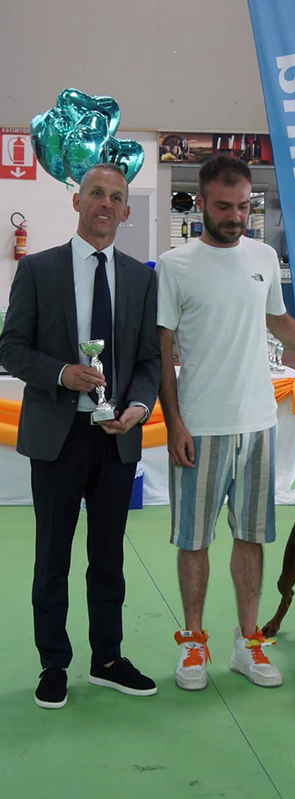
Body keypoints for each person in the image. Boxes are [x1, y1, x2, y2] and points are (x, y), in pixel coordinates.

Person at [157, 155, 295, 691]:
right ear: (200, 203)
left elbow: (277, 320)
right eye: (224, 206)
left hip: (259, 425)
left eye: (243, 206)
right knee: (194, 541)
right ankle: (194, 645)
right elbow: (162, 350)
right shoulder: (174, 265)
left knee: (251, 538)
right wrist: (174, 424)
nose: (236, 216)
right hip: (200, 427)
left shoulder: (263, 256)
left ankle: (248, 642)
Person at [0, 163, 161, 709]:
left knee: (108, 555)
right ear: (77, 201)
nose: (105, 203)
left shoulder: (141, 279)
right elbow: (11, 348)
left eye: (115, 197)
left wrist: (138, 406)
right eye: (96, 193)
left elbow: (149, 360)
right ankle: (53, 663)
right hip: (57, 435)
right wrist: (61, 374)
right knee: (52, 556)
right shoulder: (38, 269)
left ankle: (107, 659)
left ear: (126, 211)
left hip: (116, 438)